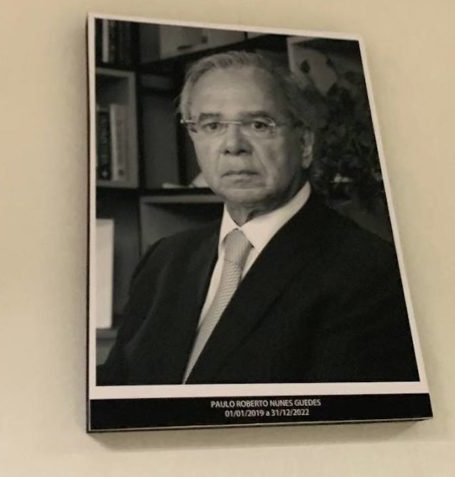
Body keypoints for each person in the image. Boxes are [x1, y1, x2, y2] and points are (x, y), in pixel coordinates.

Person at [97, 51, 419, 385]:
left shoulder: (369, 271)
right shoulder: (164, 259)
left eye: (259, 125)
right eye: (212, 126)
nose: (233, 145)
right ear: (194, 138)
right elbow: (119, 386)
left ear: (305, 145)